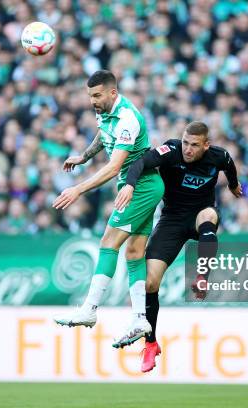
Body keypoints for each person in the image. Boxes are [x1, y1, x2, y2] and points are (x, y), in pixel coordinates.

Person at [114, 121, 242, 372]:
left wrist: (233, 185)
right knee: (150, 282)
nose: (188, 149)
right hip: (171, 219)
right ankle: (150, 344)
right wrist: (129, 184)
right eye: (185, 142)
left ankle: (202, 276)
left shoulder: (218, 156)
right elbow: (141, 163)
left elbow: (230, 166)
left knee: (209, 219)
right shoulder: (170, 151)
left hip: (199, 212)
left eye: (194, 145)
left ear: (206, 145)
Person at [52, 70, 165, 348]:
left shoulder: (127, 117)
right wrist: (84, 156)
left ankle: (90, 309)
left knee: (108, 242)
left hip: (140, 186)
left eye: (97, 95)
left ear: (112, 93)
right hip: (138, 186)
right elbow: (103, 136)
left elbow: (115, 166)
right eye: (90, 95)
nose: (92, 101)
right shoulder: (105, 111)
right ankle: (140, 317)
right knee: (135, 252)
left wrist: (78, 188)